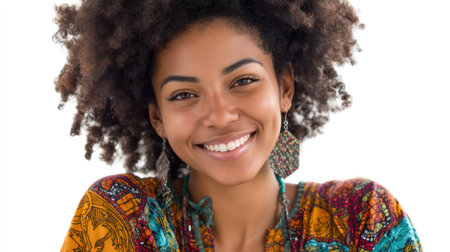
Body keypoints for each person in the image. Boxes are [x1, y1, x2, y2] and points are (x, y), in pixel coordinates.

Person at [54, 0, 421, 251]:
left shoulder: (364, 219)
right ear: (157, 118)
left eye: (243, 81)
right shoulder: (123, 218)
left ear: (285, 88)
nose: (219, 116)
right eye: (183, 94)